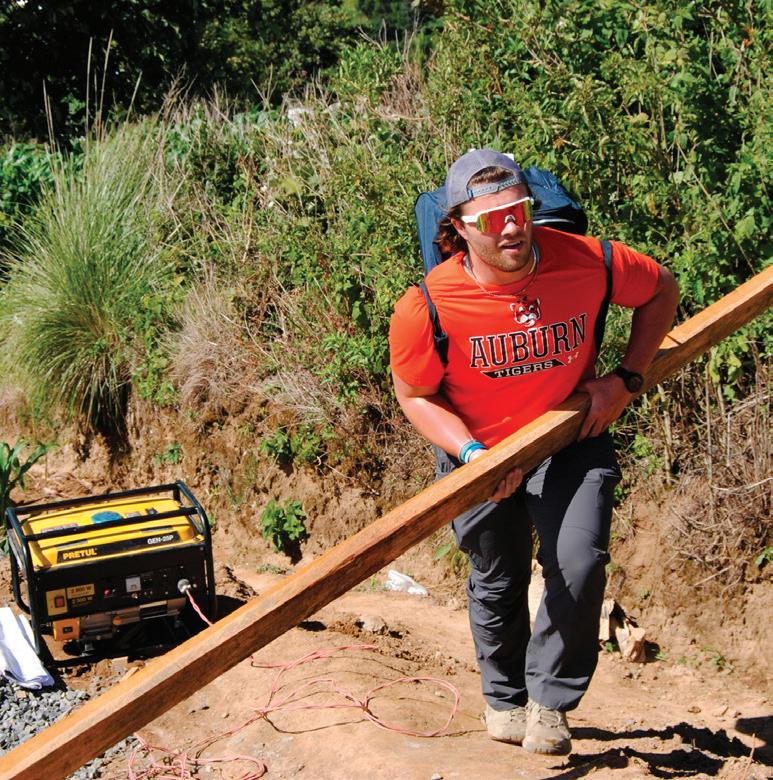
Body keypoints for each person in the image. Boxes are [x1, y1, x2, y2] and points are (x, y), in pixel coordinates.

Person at [388, 149, 679, 755]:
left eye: (519, 210)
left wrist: (626, 378)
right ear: (458, 227)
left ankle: (549, 702)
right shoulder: (428, 304)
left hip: (570, 437)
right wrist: (472, 454)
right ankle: (505, 698)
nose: (512, 227)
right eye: (491, 219)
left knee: (579, 562)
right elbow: (414, 394)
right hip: (478, 451)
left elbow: (661, 291)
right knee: (498, 576)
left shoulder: (591, 261)